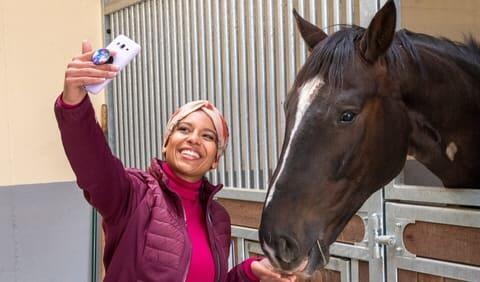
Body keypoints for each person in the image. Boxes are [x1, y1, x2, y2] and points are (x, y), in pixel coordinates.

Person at [55, 40, 298, 282]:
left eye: (208, 136)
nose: (193, 140)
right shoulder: (134, 194)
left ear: (216, 159)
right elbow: (93, 165)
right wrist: (74, 104)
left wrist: (248, 272)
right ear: (166, 142)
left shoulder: (218, 218)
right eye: (183, 129)